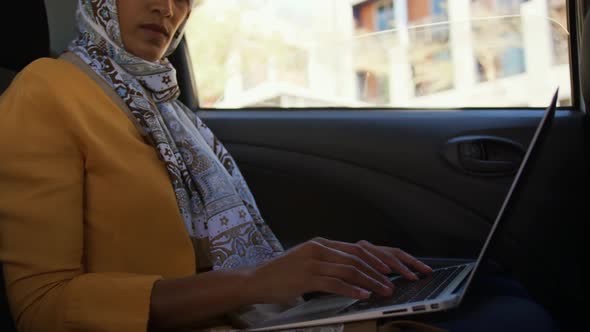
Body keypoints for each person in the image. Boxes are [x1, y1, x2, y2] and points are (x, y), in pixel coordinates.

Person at [0, 1, 559, 331]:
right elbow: (42, 305)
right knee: (516, 321)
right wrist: (254, 283)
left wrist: (305, 268)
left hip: (248, 311)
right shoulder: (45, 93)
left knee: (494, 282)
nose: (166, 7)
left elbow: (207, 253)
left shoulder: (163, 101)